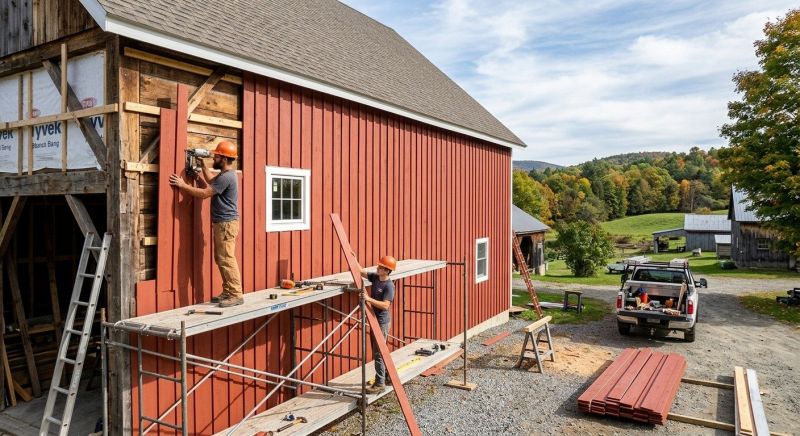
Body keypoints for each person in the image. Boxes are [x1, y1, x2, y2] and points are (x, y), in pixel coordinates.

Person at [169, 141, 243, 308]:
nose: (214, 158)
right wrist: (202, 165)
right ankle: (228, 291)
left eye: (217, 156)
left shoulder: (227, 177)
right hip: (223, 223)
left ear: (224, 159)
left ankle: (236, 294)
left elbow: (204, 193)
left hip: (226, 224)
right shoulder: (224, 175)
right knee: (221, 258)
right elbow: (210, 180)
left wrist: (182, 185)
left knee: (226, 259)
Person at [354, 254, 397, 394]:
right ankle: (387, 377)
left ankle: (380, 383)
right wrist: (354, 258)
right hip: (375, 319)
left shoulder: (389, 286)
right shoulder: (376, 278)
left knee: (378, 353)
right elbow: (361, 272)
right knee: (380, 351)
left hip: (382, 322)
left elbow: (385, 305)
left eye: (381, 267)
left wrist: (368, 299)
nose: (377, 268)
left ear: (387, 270)